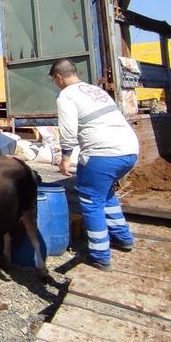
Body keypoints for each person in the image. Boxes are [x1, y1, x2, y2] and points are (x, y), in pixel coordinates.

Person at [49, 58, 139, 271]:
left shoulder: (66, 96)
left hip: (103, 154)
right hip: (129, 150)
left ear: (59, 77)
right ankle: (123, 237)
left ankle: (100, 255)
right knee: (105, 192)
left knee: (91, 201)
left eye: (54, 80)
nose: (56, 83)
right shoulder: (94, 90)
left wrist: (66, 157)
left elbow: (68, 130)